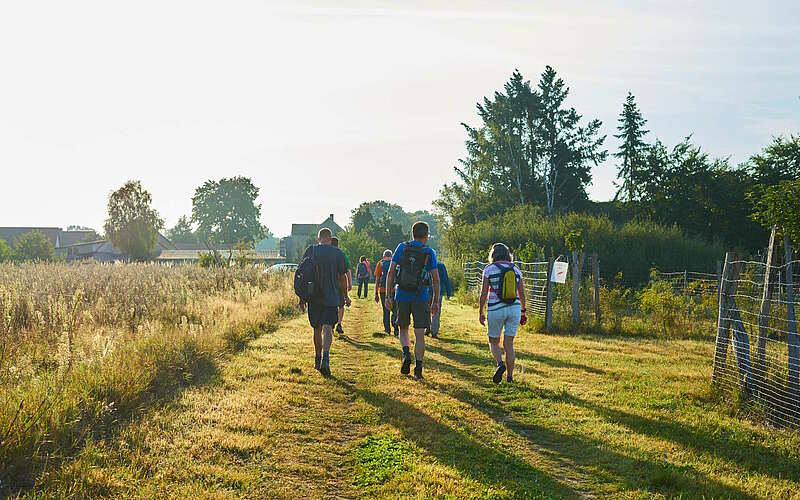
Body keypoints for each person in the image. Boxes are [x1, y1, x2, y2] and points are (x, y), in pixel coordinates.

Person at [385, 221, 440, 379]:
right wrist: (435, 301)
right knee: (419, 333)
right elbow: (436, 280)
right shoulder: (429, 252)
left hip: (401, 294)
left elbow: (390, 272)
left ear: (412, 233)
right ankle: (419, 368)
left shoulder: (402, 247)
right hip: (420, 296)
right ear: (426, 235)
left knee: (403, 328)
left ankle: (406, 354)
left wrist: (389, 296)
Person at [297, 227, 351, 376]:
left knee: (317, 329)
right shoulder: (337, 253)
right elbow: (343, 277)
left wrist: (301, 298)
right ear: (331, 238)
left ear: (318, 239)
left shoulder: (311, 250)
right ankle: (326, 358)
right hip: (332, 296)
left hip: (313, 296)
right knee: (328, 328)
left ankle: (317, 358)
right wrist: (345, 296)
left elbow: (303, 275)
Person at [478, 243, 527, 384]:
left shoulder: (489, 269)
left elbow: (483, 293)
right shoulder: (516, 269)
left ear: (493, 255)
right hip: (514, 309)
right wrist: (523, 311)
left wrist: (481, 310)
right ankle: (510, 377)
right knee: (509, 344)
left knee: (493, 341)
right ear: (508, 254)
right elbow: (522, 294)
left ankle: (500, 364)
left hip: (495, 309)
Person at [330, 236, 352, 334]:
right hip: (340, 284)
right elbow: (347, 271)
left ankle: (330, 324)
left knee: (331, 305)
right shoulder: (342, 254)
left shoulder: (327, 254)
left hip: (329, 284)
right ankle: (339, 323)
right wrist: (349, 284)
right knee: (341, 305)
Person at [374, 249, 398, 335]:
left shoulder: (380, 263)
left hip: (383, 290)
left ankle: (387, 329)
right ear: (391, 256)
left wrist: (376, 293)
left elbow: (377, 279)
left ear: (383, 256)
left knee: (385, 310)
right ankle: (396, 328)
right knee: (395, 309)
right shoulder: (395, 262)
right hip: (394, 290)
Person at [427, 261, 453, 338]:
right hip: (438, 291)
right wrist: (448, 292)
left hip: (427, 291)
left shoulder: (426, 264)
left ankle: (427, 328)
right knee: (436, 311)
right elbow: (446, 279)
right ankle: (434, 331)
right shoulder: (441, 265)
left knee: (426, 310)